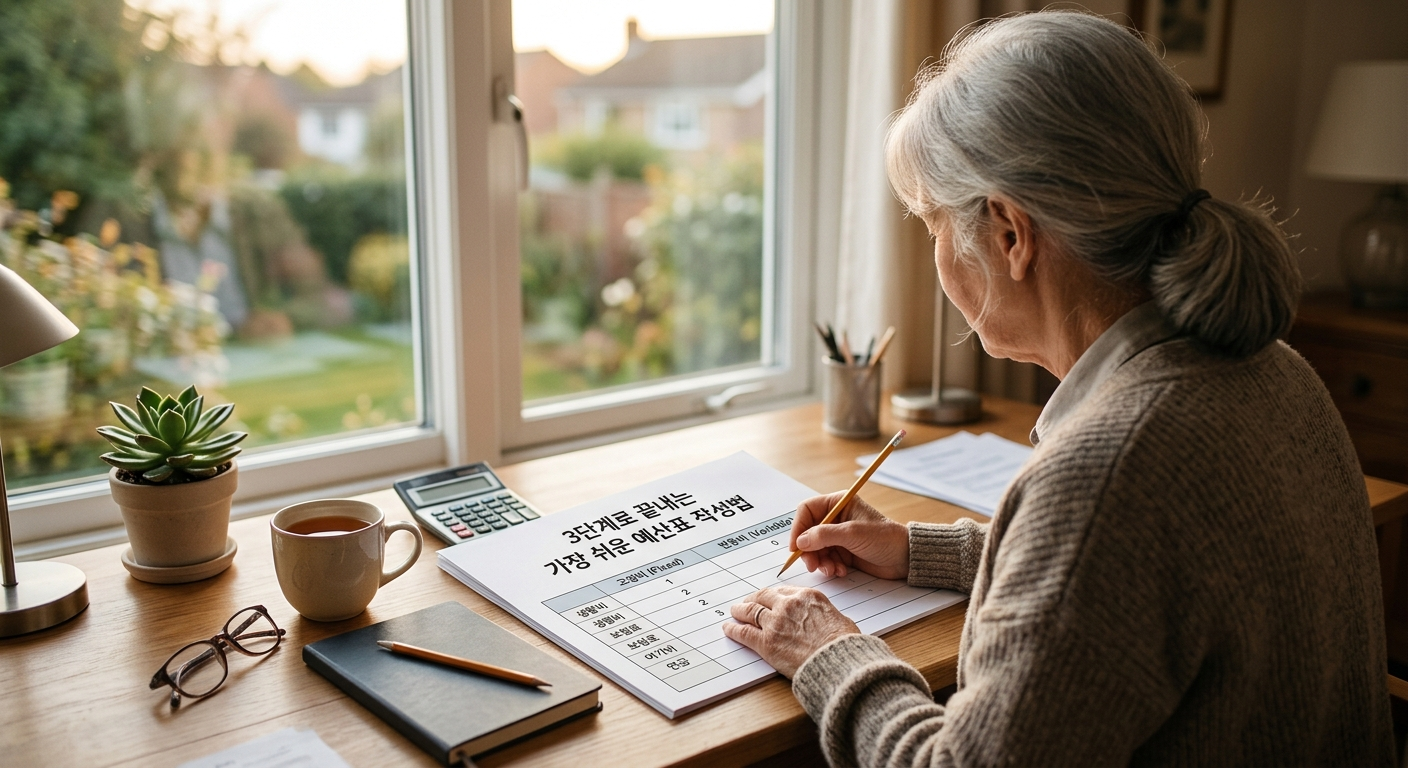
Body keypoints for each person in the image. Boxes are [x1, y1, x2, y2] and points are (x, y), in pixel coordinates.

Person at [721, 11, 1394, 766]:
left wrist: (828, 652)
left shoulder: (1106, 475)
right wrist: (921, 550)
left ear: (1010, 234)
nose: (936, 253)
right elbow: (1129, 584)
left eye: (933, 223)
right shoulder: (1276, 369)